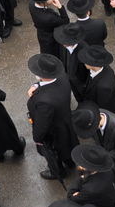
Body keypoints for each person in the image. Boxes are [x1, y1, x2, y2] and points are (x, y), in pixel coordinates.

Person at [28, 52, 78, 181]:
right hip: (66, 121)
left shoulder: (44, 102)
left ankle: (58, 172)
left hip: (54, 132)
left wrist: (37, 138)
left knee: (55, 153)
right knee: (68, 145)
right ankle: (71, 162)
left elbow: (42, 125)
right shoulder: (62, 77)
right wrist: (37, 85)